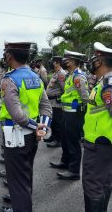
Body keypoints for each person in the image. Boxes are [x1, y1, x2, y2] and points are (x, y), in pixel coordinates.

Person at [0, 42, 52, 212]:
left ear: (9, 56)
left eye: (6, 53)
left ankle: (20, 206)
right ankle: (19, 204)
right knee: (25, 175)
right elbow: (46, 107)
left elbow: (16, 114)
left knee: (17, 181)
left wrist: (37, 126)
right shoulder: (35, 77)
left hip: (17, 135)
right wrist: (42, 127)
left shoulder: (9, 79)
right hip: (32, 136)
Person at [50, 50, 89, 180]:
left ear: (72, 61)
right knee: (66, 140)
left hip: (74, 115)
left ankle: (74, 171)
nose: (64, 62)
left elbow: (85, 97)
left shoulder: (78, 76)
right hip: (66, 113)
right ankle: (65, 162)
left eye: (66, 60)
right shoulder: (70, 75)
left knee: (73, 142)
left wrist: (80, 113)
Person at [82, 42, 112, 212]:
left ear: (100, 61)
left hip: (100, 143)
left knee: (93, 185)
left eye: (94, 58)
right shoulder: (104, 81)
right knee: (103, 183)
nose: (92, 62)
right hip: (102, 142)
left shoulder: (109, 82)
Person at [45, 56, 67, 147]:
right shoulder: (56, 73)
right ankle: (53, 137)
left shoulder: (61, 73)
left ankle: (58, 140)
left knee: (57, 122)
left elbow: (64, 88)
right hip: (52, 102)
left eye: (53, 62)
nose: (51, 63)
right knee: (53, 121)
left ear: (57, 63)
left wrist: (60, 98)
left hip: (57, 102)